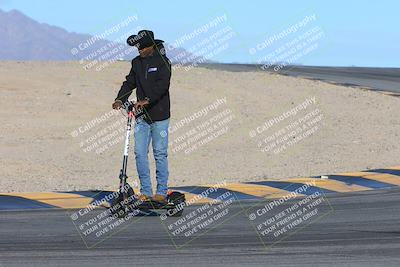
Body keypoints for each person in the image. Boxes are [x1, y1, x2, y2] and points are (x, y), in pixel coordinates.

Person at [112, 30, 171, 203]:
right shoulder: (136, 63)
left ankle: (161, 193)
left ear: (152, 46)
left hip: (160, 116)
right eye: (138, 47)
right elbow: (129, 82)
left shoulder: (163, 62)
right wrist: (119, 99)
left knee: (159, 154)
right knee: (139, 153)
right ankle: (146, 191)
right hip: (141, 117)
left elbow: (163, 86)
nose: (140, 50)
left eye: (143, 47)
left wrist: (147, 100)